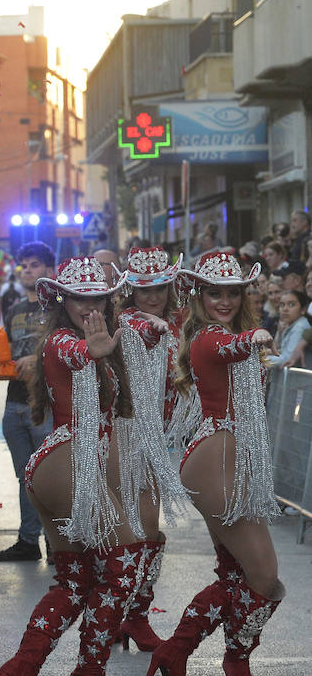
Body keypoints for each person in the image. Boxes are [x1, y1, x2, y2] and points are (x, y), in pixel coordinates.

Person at [0, 256, 151, 676]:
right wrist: (93, 352)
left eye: (97, 296)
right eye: (80, 297)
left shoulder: (99, 337)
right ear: (63, 300)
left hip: (67, 467)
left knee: (77, 580)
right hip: (68, 464)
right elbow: (74, 353)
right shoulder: (64, 341)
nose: (89, 305)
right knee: (124, 561)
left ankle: (22, 669)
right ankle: (89, 675)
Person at [147, 251, 285, 676]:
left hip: (231, 463)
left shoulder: (228, 331)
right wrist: (256, 338)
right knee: (264, 577)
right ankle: (230, 656)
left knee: (238, 574)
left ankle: (181, 653)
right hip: (215, 464)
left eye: (232, 292)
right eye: (214, 292)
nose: (223, 300)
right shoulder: (210, 338)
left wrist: (251, 336)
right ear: (199, 295)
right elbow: (231, 349)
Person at [112, 248, 191, 652]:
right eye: (144, 289)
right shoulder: (126, 321)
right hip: (123, 434)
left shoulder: (178, 321)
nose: (153, 295)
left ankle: (133, 615)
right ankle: (117, 614)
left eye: (160, 286)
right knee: (132, 525)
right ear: (131, 290)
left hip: (155, 436)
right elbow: (139, 333)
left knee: (148, 525)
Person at [0, 242, 56, 563]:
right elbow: (6, 351)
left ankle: (58, 544)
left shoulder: (60, 308)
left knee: (50, 476)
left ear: (50, 270)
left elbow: (71, 348)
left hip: (46, 406)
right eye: (24, 265)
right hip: (13, 404)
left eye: (35, 264)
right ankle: (28, 541)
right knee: (25, 477)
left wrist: (39, 359)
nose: (28, 270)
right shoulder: (13, 309)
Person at [270, 290, 311, 369]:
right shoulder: (292, 325)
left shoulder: (299, 327)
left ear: (303, 310)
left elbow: (287, 359)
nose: (285, 309)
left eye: (291, 305)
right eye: (282, 305)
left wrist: (261, 360)